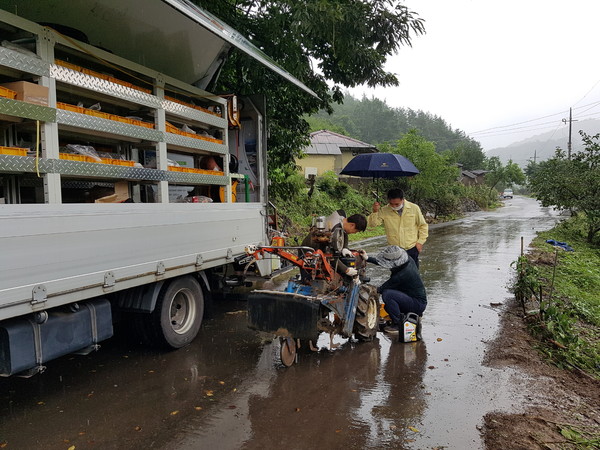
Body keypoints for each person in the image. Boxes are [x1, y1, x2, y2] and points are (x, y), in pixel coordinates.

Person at [360, 245, 427, 335]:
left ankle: (398, 324)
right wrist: (367, 258)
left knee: (388, 294)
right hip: (411, 297)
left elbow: (382, 288)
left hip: (418, 303)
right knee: (388, 307)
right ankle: (408, 315)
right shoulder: (407, 260)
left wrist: (367, 292)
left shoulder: (404, 274)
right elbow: (383, 261)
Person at [367, 188, 428, 268]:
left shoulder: (414, 208)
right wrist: (375, 211)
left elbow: (423, 225)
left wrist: (420, 242)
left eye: (397, 204)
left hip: (412, 247)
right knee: (397, 275)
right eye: (391, 204)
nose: (394, 206)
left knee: (413, 273)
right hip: (394, 250)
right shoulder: (384, 210)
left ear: (402, 199)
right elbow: (373, 224)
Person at [301, 209, 367, 277]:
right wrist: (346, 270)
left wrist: (345, 248)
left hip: (318, 242)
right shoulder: (333, 233)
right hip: (309, 249)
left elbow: (345, 231)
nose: (354, 233)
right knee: (309, 276)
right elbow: (332, 258)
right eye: (355, 231)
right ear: (352, 225)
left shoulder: (341, 215)